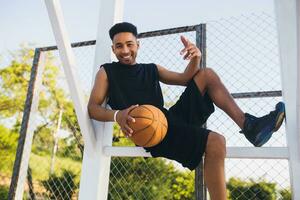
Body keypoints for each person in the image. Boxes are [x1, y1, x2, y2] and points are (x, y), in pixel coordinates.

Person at [87, 22, 285, 200]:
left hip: (169, 118)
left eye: (129, 44)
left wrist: (195, 58)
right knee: (217, 142)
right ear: (113, 49)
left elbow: (184, 78)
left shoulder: (151, 69)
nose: (125, 50)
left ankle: (250, 127)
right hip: (154, 133)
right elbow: (93, 107)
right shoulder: (106, 72)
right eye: (119, 46)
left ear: (138, 45)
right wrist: (117, 115)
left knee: (206, 74)